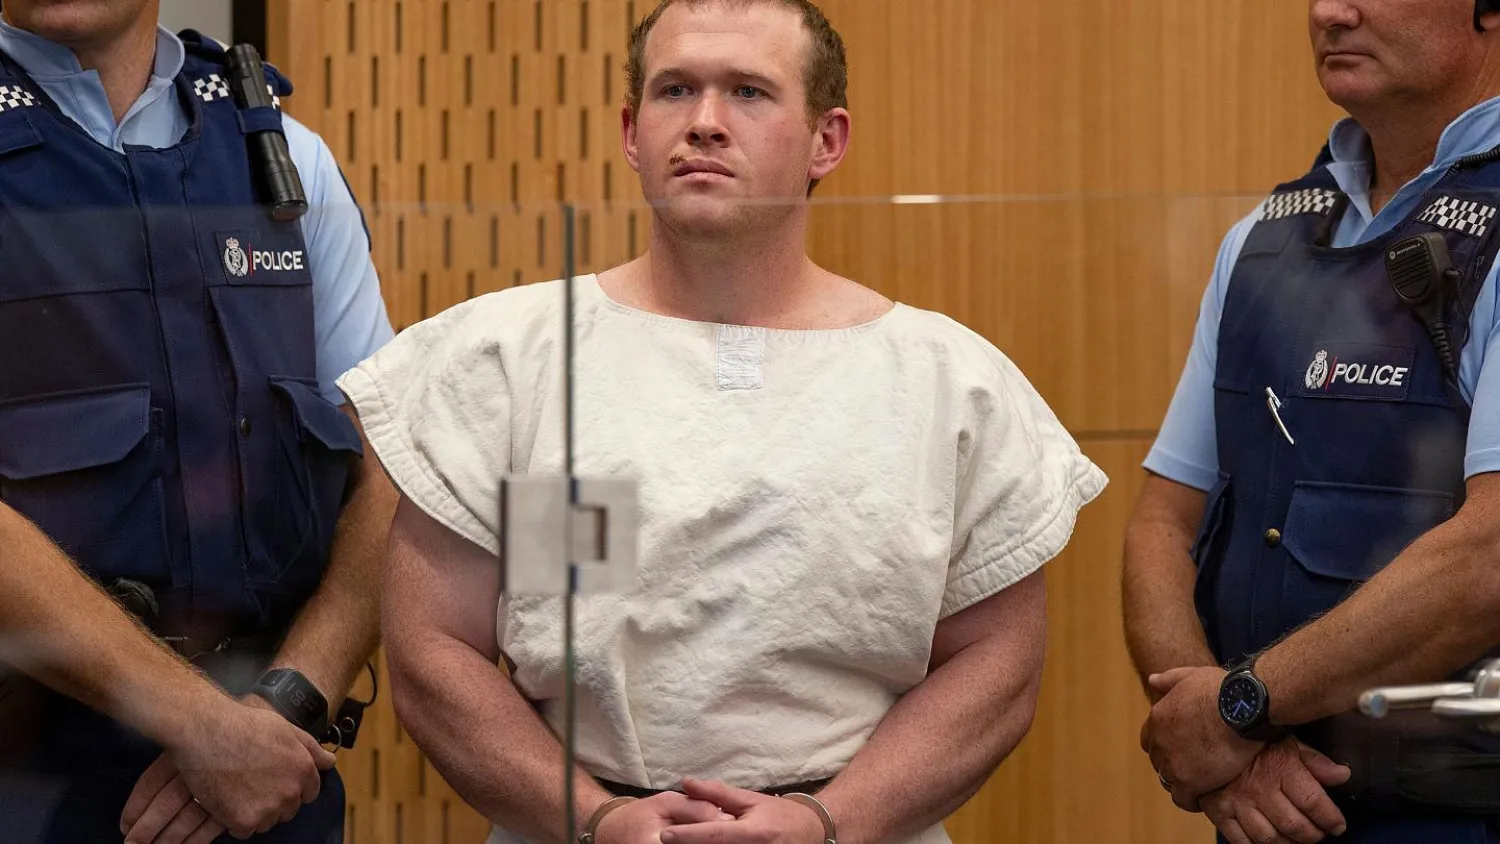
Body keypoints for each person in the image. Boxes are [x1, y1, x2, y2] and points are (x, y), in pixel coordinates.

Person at [337, 1, 1107, 843]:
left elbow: (996, 665)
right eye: (676, 90)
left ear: (828, 140)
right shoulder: (506, 361)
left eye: (748, 92)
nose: (705, 123)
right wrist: (598, 818)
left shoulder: (950, 385)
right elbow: (433, 653)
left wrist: (825, 820)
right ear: (632, 132)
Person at [0, 1, 397, 842]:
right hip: (24, 774)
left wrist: (285, 704)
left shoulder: (284, 157)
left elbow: (390, 470)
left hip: (274, 774)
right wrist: (199, 727)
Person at [1123, 0, 1500, 842]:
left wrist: (1236, 708)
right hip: (1271, 811)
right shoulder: (1261, 238)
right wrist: (1220, 747)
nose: (1330, 10)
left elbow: (1491, 558)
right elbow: (1162, 522)